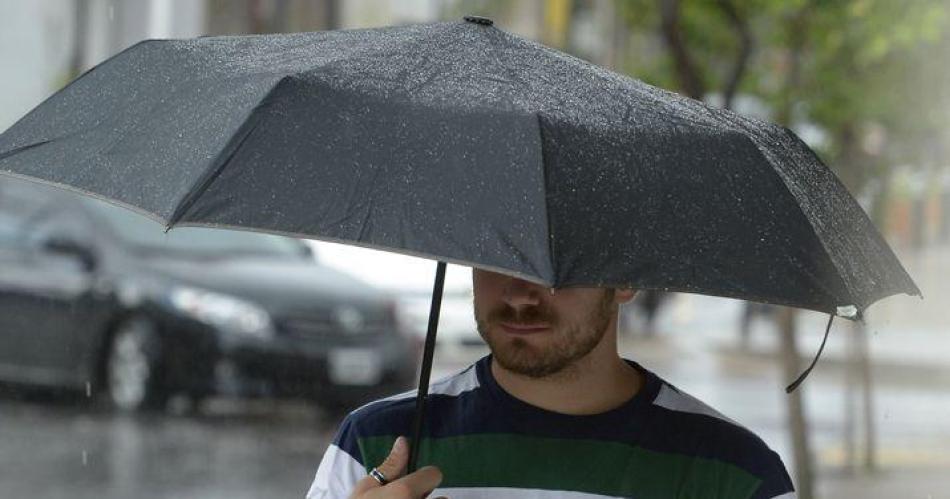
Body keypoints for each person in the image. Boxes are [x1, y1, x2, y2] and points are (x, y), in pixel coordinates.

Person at [306, 269, 795, 499]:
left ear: (626, 278)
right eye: (496, 254)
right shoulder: (375, 444)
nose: (520, 294)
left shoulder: (733, 474)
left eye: (558, 264)